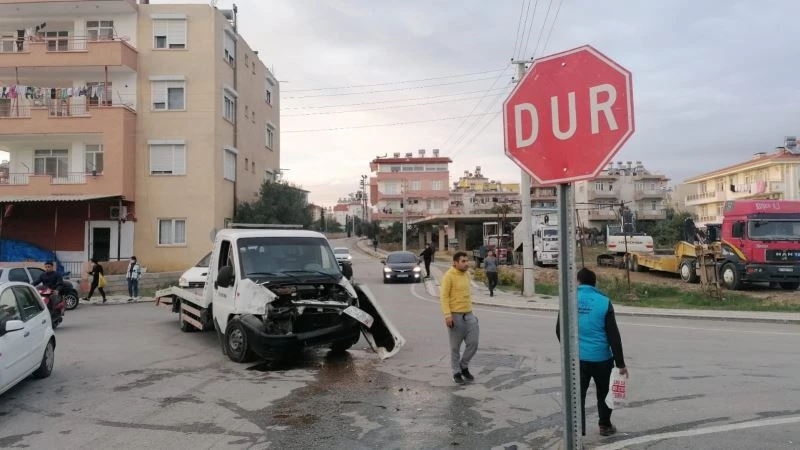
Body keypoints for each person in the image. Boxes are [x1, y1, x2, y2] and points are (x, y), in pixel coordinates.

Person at [556, 268, 627, 437]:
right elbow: (613, 336)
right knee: (604, 393)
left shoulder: (568, 300)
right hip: (602, 358)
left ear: (578, 282)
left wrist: (571, 352)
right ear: (594, 284)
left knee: (577, 396)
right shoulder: (604, 302)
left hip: (578, 359)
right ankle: (604, 425)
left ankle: (577, 432)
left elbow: (559, 330)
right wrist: (621, 364)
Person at [440, 251, 479, 385]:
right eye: (463, 261)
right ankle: (456, 372)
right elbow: (444, 297)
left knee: (473, 343)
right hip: (455, 316)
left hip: (469, 315)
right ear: (455, 262)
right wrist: (447, 315)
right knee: (455, 347)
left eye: (467, 261)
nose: (466, 263)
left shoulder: (467, 275)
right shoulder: (448, 276)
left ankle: (463, 366)